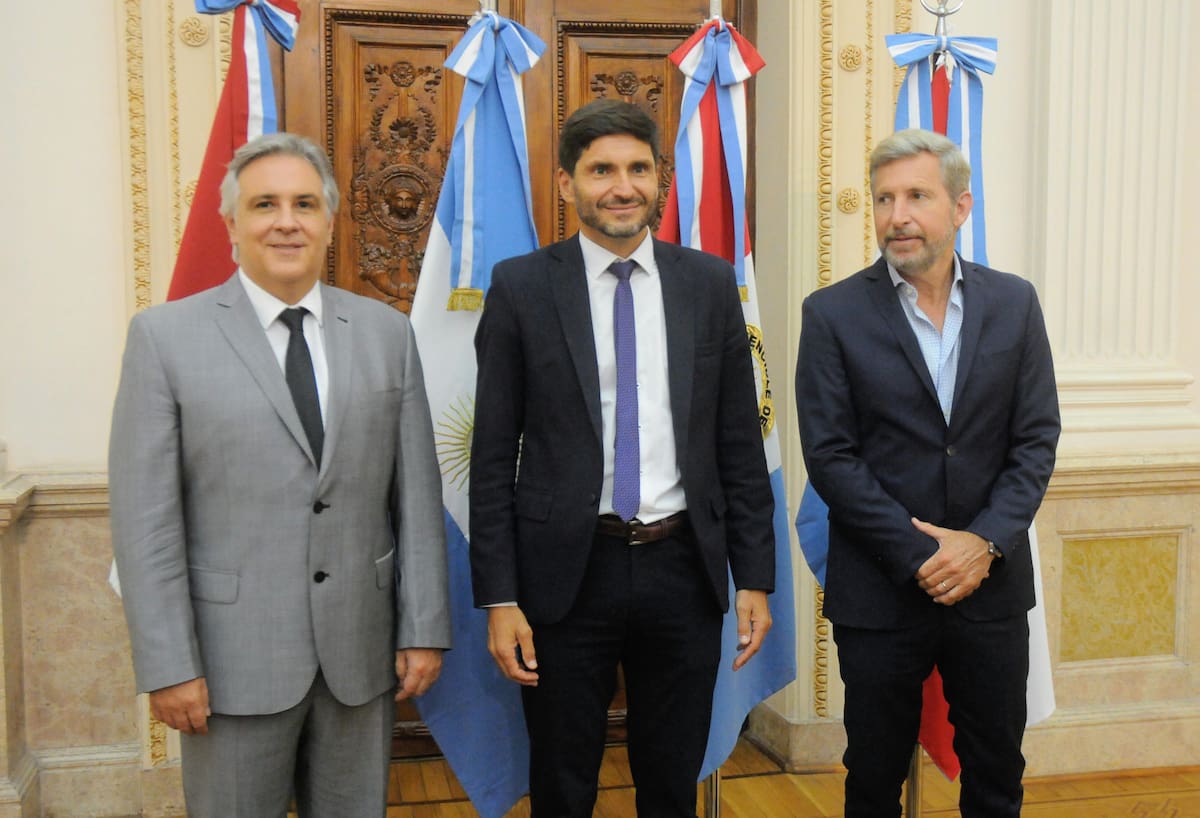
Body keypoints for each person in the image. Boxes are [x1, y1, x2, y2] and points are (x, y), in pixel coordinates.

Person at [109, 131, 452, 818]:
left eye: (304, 203)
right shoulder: (163, 338)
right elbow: (146, 523)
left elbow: (415, 497)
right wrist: (170, 664)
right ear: (232, 224)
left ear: (329, 221)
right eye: (265, 204)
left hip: (362, 658)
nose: (287, 221)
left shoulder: (388, 335)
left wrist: (424, 626)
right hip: (230, 666)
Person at [469, 99, 776, 818]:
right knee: (563, 779)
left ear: (660, 179)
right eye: (601, 169)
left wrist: (754, 577)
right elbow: (491, 457)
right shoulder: (521, 286)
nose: (622, 185)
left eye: (638, 168)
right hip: (564, 576)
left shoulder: (707, 284)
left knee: (672, 779)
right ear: (568, 183)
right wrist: (500, 597)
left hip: (683, 568)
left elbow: (738, 442)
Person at [795, 128, 1060, 818]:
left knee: (997, 773)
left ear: (961, 206)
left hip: (991, 585)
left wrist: (984, 542)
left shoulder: (1015, 303)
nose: (896, 216)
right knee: (874, 777)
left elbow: (1035, 440)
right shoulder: (831, 313)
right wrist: (924, 554)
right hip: (881, 589)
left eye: (916, 195)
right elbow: (829, 455)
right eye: (884, 199)